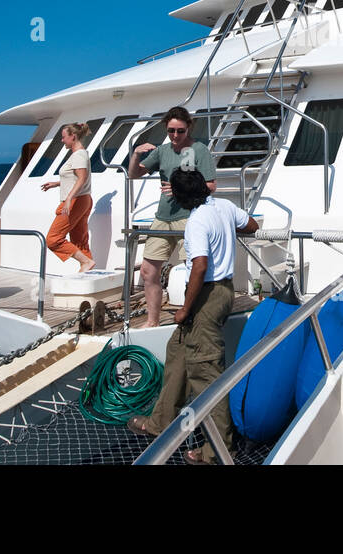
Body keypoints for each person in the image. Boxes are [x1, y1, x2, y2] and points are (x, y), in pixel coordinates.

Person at [128, 168, 257, 464]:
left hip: (206, 296)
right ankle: (161, 422)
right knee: (178, 351)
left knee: (206, 373)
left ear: (182, 198)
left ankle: (216, 451)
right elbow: (251, 224)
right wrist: (227, 232)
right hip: (223, 291)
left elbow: (199, 265)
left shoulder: (197, 221)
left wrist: (184, 308)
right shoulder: (222, 206)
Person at [127, 106, 217, 327]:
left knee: (193, 270)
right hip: (163, 217)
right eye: (171, 131)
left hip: (190, 217)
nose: (175, 136)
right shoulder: (163, 151)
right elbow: (133, 174)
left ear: (188, 128)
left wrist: (181, 190)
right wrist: (136, 153)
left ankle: (194, 319)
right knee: (148, 271)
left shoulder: (200, 150)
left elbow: (211, 186)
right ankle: (152, 321)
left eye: (180, 131)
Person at [39, 122, 94, 272]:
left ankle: (86, 263)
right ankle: (88, 273)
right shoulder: (80, 154)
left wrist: (69, 199)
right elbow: (75, 178)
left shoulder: (78, 155)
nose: (62, 140)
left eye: (64, 137)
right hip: (82, 199)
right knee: (79, 241)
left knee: (53, 239)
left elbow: (82, 179)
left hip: (76, 200)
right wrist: (57, 183)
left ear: (73, 137)